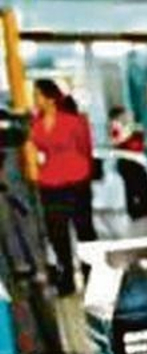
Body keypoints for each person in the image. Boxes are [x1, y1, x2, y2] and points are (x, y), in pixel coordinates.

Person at [29, 80, 97, 295]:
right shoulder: (36, 124)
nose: (34, 99)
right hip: (50, 182)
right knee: (57, 233)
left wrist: (86, 175)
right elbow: (34, 151)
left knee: (83, 230)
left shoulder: (74, 121)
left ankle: (92, 277)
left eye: (37, 94)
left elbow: (86, 149)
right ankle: (66, 278)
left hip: (76, 180)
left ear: (49, 97)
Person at [107, 107, 147, 219]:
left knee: (144, 185)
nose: (126, 117)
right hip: (126, 160)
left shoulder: (132, 126)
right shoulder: (116, 126)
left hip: (138, 159)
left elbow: (142, 141)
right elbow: (116, 141)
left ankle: (145, 208)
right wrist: (129, 130)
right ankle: (134, 211)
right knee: (131, 186)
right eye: (124, 115)